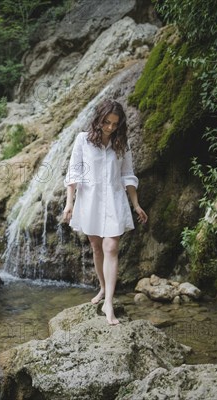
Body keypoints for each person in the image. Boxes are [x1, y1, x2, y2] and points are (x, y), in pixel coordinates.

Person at [62, 99, 148, 325]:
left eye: (115, 124)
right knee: (97, 248)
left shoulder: (122, 143)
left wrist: (136, 204)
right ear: (99, 119)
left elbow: (128, 175)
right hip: (89, 201)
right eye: (107, 122)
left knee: (111, 247)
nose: (110, 127)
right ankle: (102, 287)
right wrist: (69, 204)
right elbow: (74, 173)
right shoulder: (83, 140)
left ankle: (108, 301)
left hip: (114, 199)